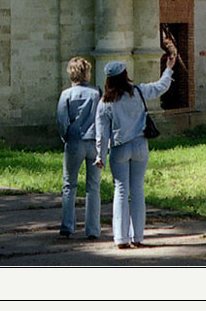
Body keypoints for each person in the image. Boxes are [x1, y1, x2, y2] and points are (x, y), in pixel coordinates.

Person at [94, 55, 176, 249]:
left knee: (121, 190)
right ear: (125, 76)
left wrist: (100, 155)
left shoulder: (105, 102)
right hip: (140, 145)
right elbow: (160, 86)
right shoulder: (138, 92)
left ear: (108, 80)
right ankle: (138, 236)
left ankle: (121, 238)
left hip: (119, 147)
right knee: (138, 189)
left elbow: (101, 133)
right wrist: (169, 69)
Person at [56, 56, 101, 239]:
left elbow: (61, 120)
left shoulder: (66, 95)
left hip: (74, 141)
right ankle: (93, 229)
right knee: (93, 187)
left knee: (69, 185)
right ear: (85, 73)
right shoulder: (97, 93)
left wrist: (66, 136)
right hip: (93, 142)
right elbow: (102, 118)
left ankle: (67, 226)